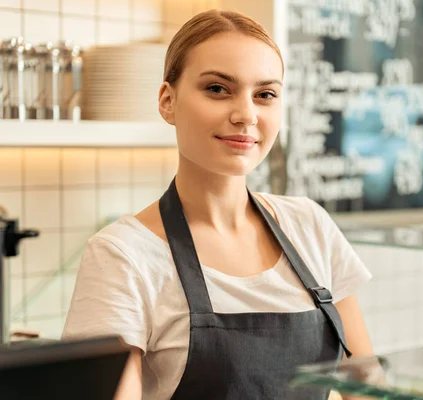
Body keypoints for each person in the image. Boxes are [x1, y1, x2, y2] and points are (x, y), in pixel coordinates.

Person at [62, 9, 374, 400]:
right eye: (217, 89)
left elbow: (363, 384)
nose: (246, 115)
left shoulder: (309, 225)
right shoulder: (123, 256)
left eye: (265, 95)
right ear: (167, 101)